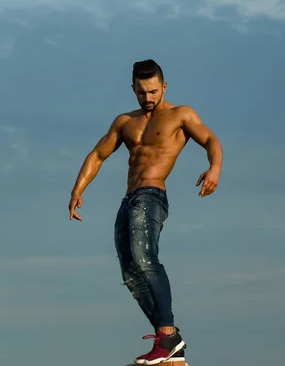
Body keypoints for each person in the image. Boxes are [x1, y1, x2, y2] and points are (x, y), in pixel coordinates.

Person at [68, 59, 223, 365]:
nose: (148, 98)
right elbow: (98, 154)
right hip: (128, 199)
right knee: (130, 272)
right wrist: (77, 190)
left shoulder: (181, 115)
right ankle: (168, 344)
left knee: (145, 259)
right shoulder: (125, 121)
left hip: (152, 195)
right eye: (141, 92)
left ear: (163, 87)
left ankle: (167, 335)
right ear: (133, 90)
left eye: (153, 91)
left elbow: (210, 140)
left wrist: (214, 168)